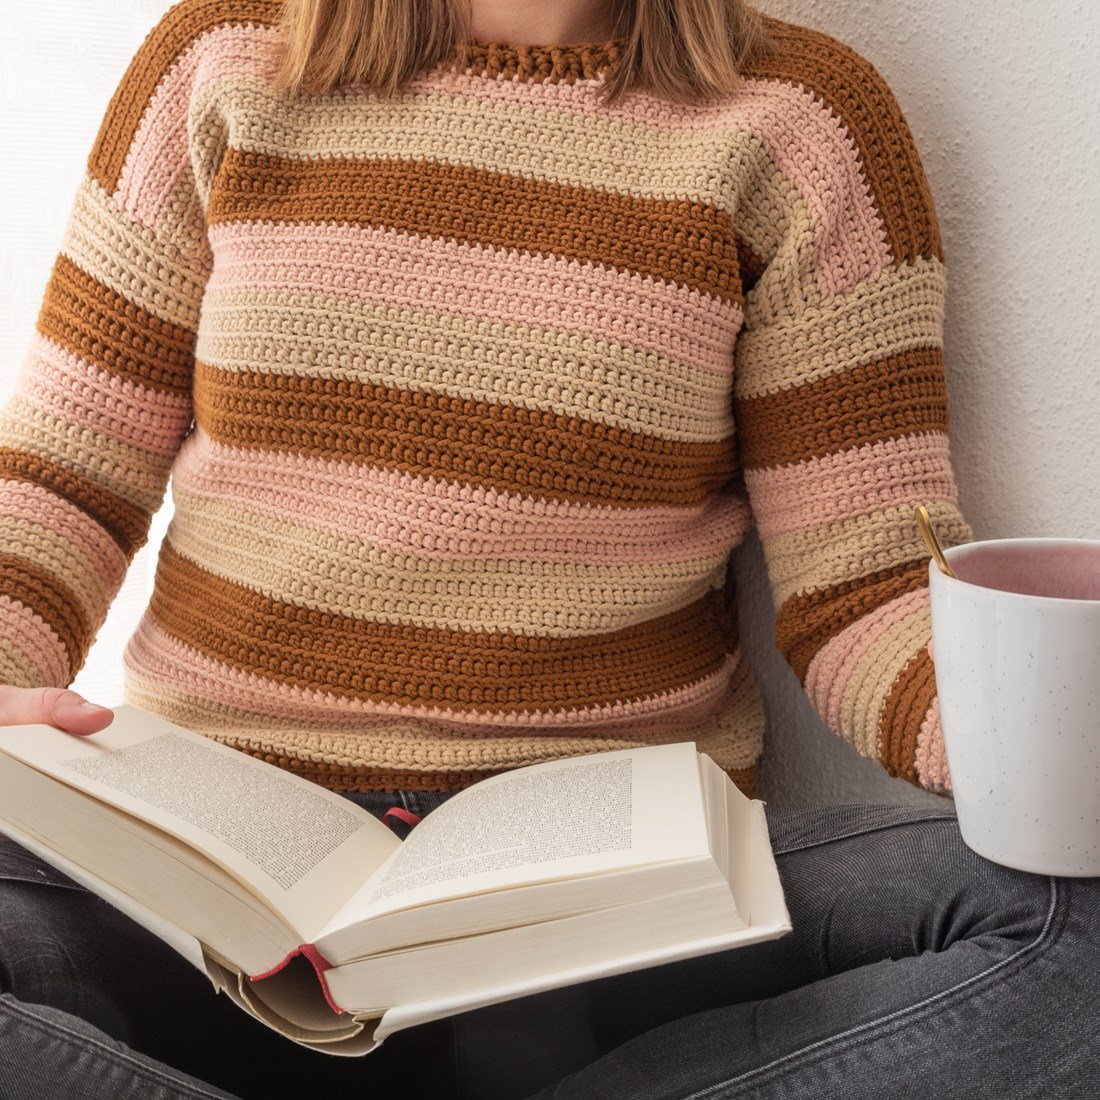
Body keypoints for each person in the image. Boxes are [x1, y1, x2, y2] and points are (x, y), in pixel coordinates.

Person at [0, 0, 1095, 1096]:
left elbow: (860, 583)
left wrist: (1035, 739)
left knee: (1073, 925)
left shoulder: (803, 122)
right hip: (214, 884)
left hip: (601, 908)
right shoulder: (216, 60)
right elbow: (60, 479)